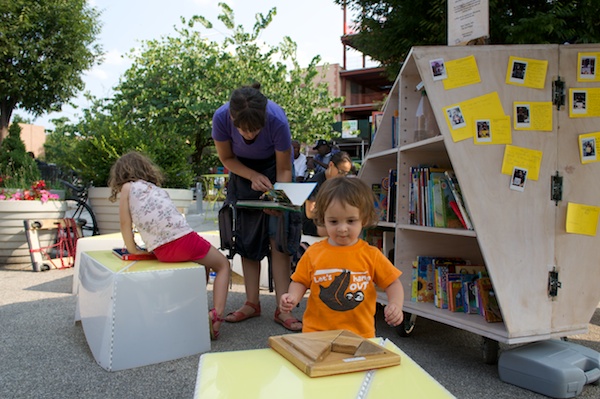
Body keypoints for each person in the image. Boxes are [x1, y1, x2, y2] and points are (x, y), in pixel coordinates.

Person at [107, 151, 231, 340]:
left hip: (161, 250)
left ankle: (191, 312)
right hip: (184, 240)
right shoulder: (156, 190)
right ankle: (216, 317)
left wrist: (133, 250)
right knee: (222, 265)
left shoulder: (126, 189)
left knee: (202, 266)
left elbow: (125, 223)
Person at [212, 83, 302, 332]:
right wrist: (251, 175)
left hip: (276, 168)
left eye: (256, 130)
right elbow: (226, 158)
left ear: (265, 119)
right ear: (232, 118)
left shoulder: (276, 119)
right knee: (247, 236)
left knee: (279, 236)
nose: (250, 135)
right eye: (244, 130)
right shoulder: (221, 118)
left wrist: (278, 200)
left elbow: (284, 168)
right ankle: (252, 303)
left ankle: (284, 309)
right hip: (241, 168)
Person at [280, 177, 405, 338]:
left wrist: (395, 304)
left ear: (364, 219)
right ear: (323, 219)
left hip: (360, 334)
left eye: (351, 221)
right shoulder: (314, 252)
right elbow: (300, 281)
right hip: (316, 332)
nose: (342, 228)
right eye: (333, 221)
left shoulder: (370, 254)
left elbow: (393, 283)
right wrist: (292, 297)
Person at [302, 151, 353, 237]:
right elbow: (310, 213)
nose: (343, 176)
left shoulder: (340, 183)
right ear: (331, 165)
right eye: (340, 172)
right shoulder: (315, 182)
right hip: (314, 224)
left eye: (346, 173)